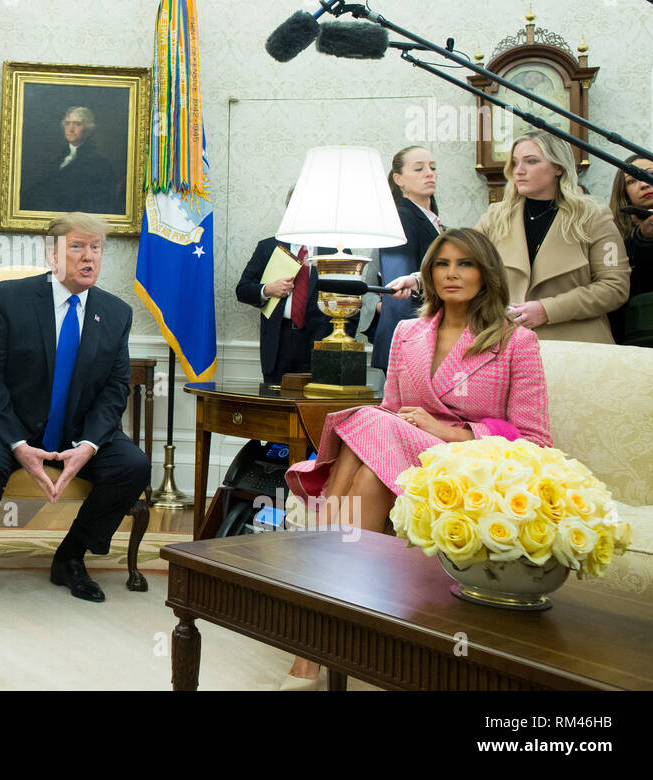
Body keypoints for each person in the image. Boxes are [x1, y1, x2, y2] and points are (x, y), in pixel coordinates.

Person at [281, 228, 551, 688]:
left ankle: (310, 637)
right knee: (368, 465)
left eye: (465, 263)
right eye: (442, 264)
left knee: (367, 421)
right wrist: (411, 426)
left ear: (486, 274)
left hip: (469, 461)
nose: (452, 273)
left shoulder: (516, 341)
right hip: (400, 455)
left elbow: (534, 440)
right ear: (428, 274)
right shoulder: (408, 333)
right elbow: (390, 412)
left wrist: (449, 431)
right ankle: (331, 633)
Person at [0, 212, 150, 605]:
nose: (89, 257)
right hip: (3, 421)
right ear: (52, 254)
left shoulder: (115, 313)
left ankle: (71, 556)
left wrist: (90, 445)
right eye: (77, 247)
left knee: (133, 466)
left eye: (96, 248)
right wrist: (18, 444)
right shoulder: (9, 298)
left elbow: (114, 390)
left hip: (75, 428)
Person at [389, 132, 629, 342]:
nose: (519, 171)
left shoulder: (593, 216)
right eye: (515, 163)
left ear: (558, 167)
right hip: (510, 345)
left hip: (578, 349)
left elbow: (614, 287)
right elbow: (462, 258)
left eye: (531, 161)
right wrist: (418, 280)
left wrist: (548, 309)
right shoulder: (497, 216)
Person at [235, 205, 334, 385]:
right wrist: (268, 289)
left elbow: (349, 300)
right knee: (275, 405)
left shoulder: (334, 252)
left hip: (320, 343)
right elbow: (242, 289)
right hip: (279, 341)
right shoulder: (269, 247)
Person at [371, 146, 446, 372]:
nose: (429, 173)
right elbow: (399, 286)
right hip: (410, 338)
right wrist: (413, 343)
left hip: (424, 333)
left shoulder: (431, 220)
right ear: (399, 179)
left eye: (432, 167)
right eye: (419, 168)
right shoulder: (401, 218)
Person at [21, 106, 124, 216]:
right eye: (67, 123)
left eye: (77, 124)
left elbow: (96, 205)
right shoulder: (58, 159)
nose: (71, 129)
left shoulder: (100, 164)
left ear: (88, 129)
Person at [608, 154, 653, 341]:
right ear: (624, 193)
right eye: (632, 181)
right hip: (642, 338)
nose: (644, 184)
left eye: (651, 174)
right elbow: (619, 293)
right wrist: (644, 241)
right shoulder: (613, 235)